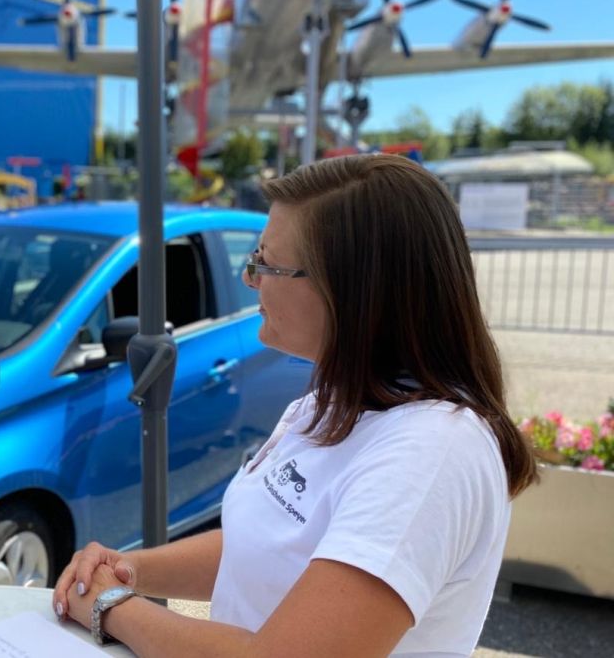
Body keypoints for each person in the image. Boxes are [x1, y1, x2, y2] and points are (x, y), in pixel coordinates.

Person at [51, 154, 537, 656]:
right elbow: (264, 546)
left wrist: (113, 606)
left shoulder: (434, 451)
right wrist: (130, 568)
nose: (249, 278)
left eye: (266, 262)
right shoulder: (332, 403)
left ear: (352, 289)